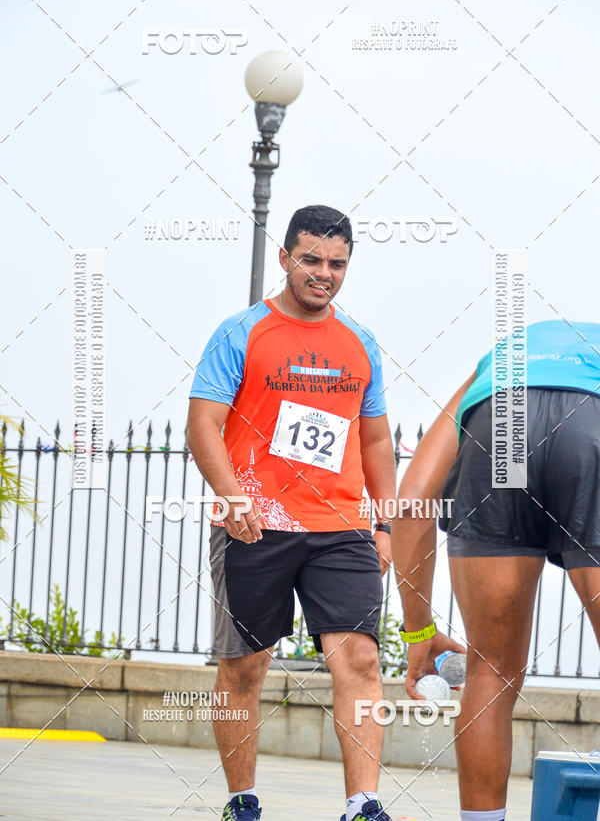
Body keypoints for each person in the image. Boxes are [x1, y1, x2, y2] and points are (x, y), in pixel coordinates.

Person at [187, 205, 398, 821]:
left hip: (341, 529)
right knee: (244, 667)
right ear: (284, 258)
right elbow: (203, 424)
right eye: (310, 260)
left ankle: (363, 804)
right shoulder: (240, 332)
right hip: (257, 525)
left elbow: (376, 440)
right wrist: (232, 496)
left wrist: (382, 523)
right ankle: (241, 801)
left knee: (359, 658)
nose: (323, 274)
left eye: (336, 263)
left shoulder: (360, 343)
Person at [392, 319, 600, 821]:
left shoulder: (491, 371)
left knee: (492, 670)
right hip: (589, 423)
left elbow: (412, 502)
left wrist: (418, 631)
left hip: (497, 425)